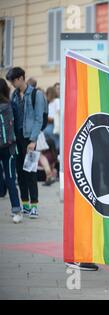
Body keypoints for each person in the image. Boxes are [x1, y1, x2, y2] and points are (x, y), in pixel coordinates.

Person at [6, 67, 45, 219]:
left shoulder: (36, 94)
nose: (12, 84)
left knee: (31, 172)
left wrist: (33, 140)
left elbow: (39, 118)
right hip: (17, 139)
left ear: (21, 78)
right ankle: (25, 205)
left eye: (14, 80)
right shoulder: (14, 95)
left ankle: (34, 205)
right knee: (20, 173)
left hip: (30, 138)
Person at [0, 78, 22, 223]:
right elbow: (18, 126)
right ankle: (16, 211)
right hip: (10, 147)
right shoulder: (12, 105)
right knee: (11, 179)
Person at [44, 86, 60, 152]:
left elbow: (58, 113)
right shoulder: (49, 104)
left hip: (55, 124)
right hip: (50, 124)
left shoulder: (57, 101)